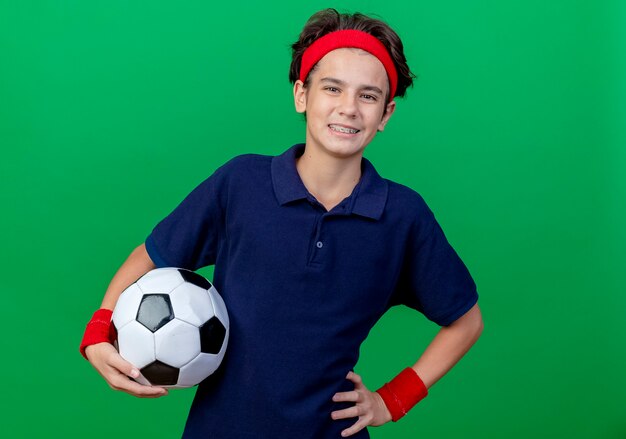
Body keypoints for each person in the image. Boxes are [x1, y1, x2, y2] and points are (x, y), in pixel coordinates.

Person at [80, 8, 483, 438]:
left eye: (368, 96)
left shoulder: (402, 216)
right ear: (301, 96)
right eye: (332, 88)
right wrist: (99, 332)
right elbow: (148, 257)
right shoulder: (241, 184)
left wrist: (392, 399)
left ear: (385, 115)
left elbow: (466, 321)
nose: (348, 108)